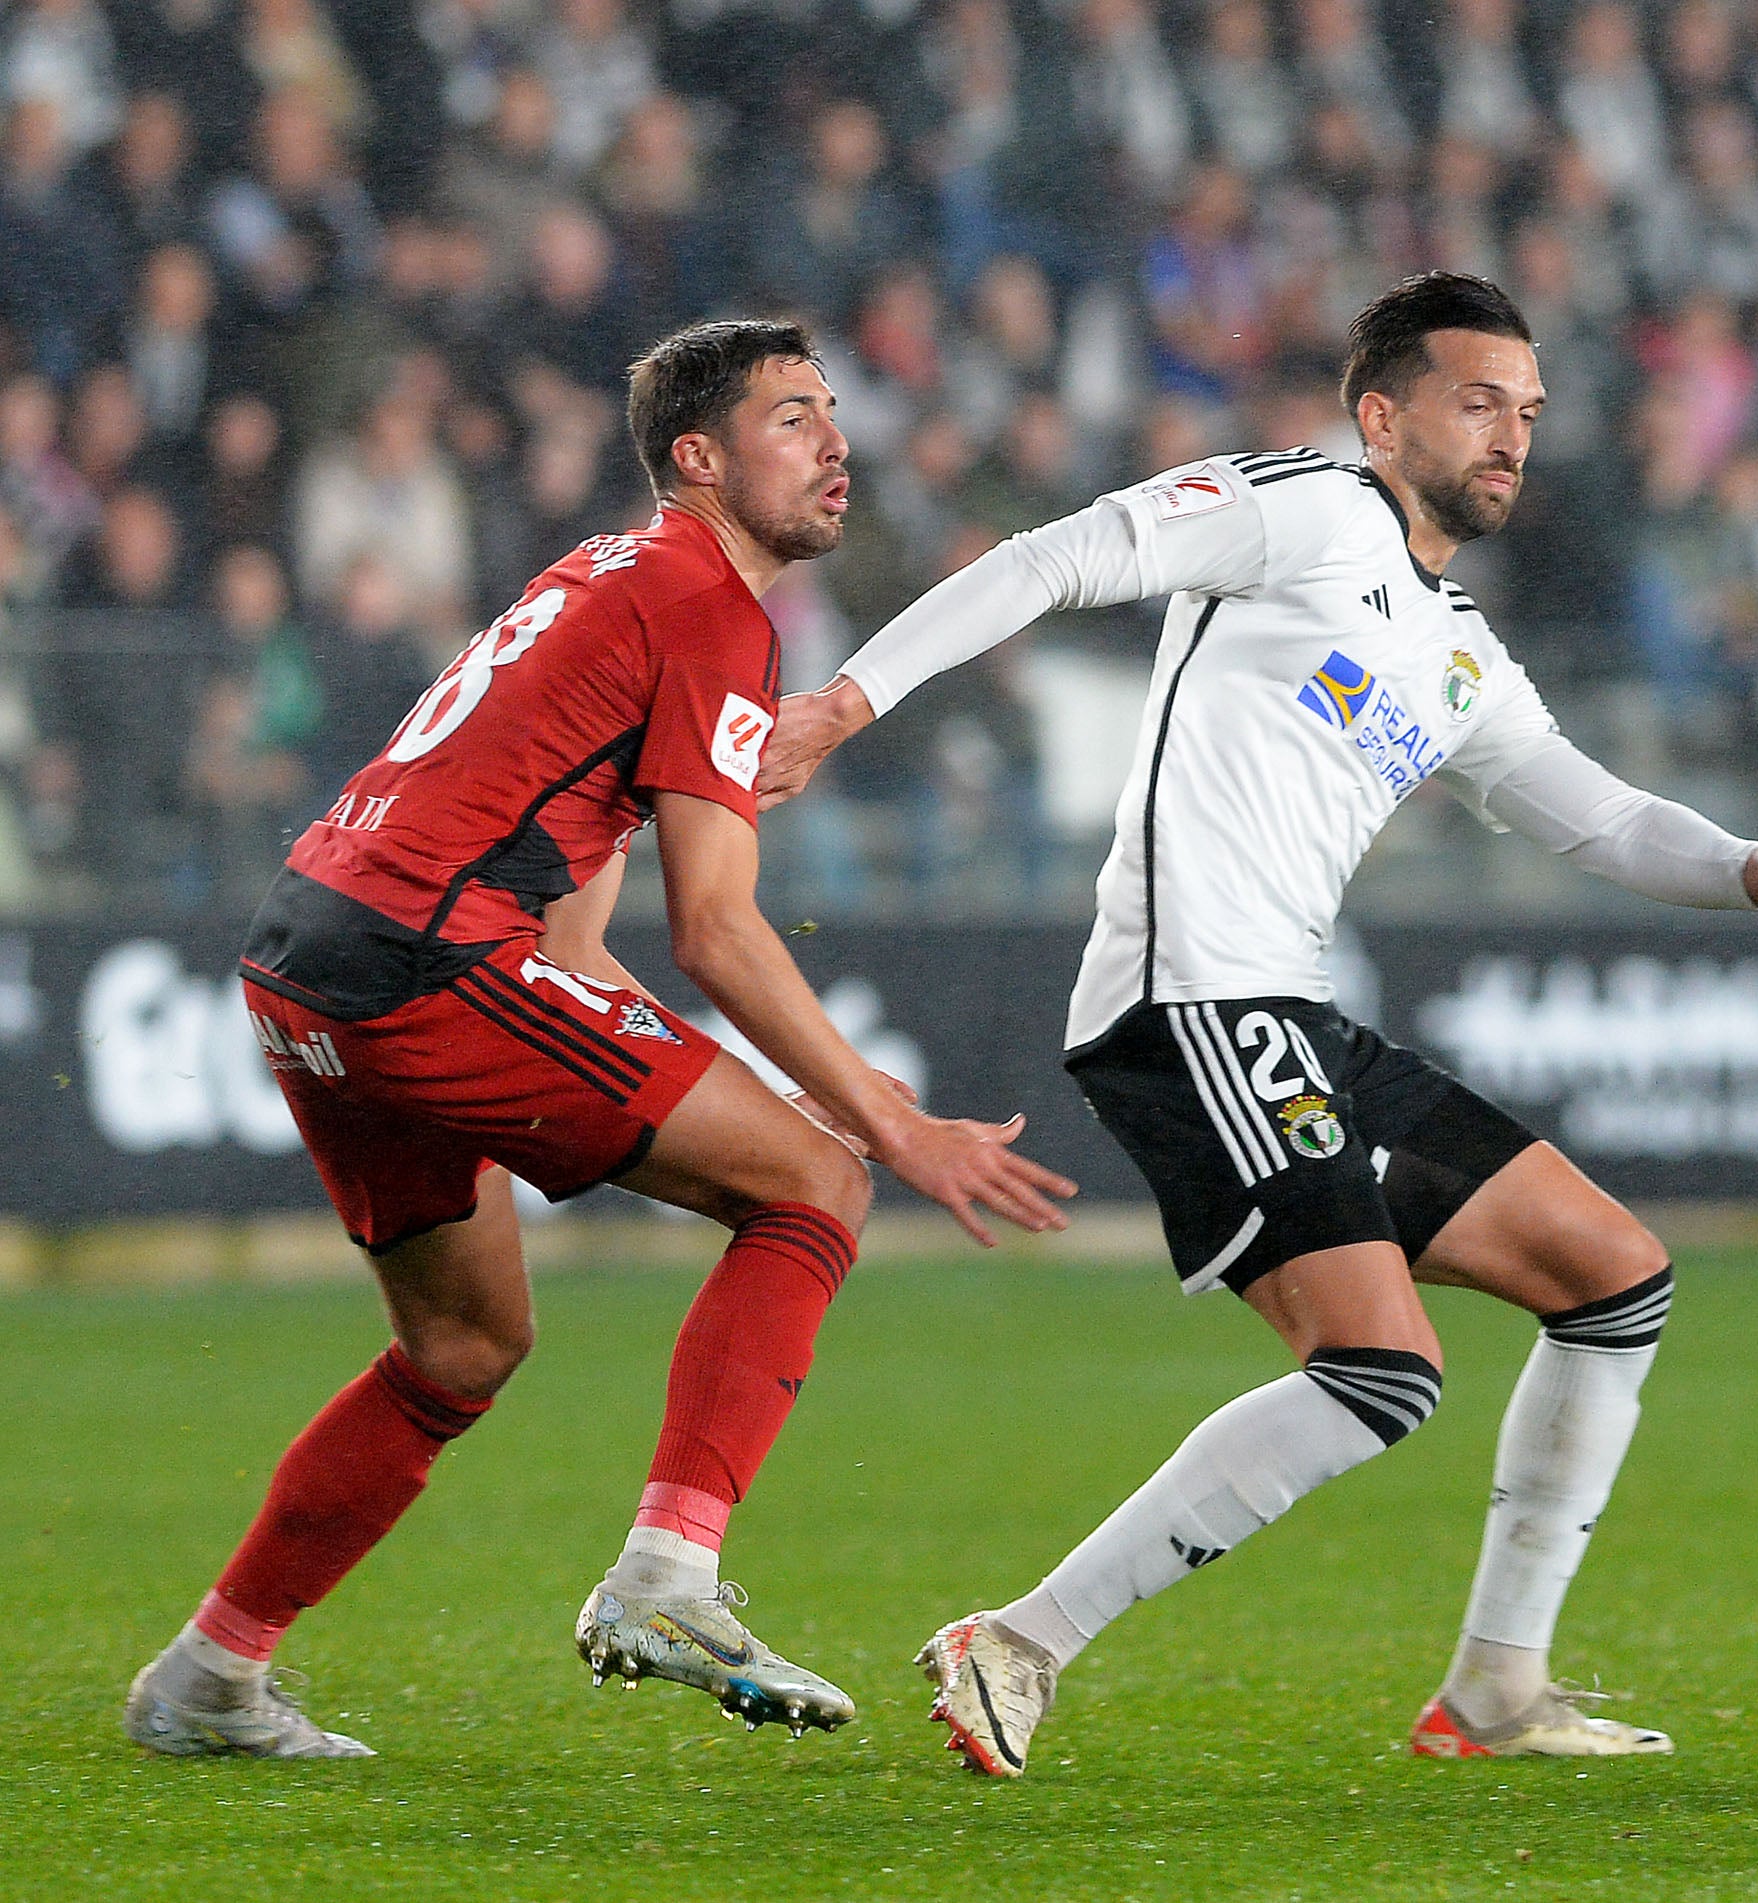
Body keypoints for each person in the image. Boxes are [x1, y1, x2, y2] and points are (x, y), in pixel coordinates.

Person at [755, 273, 1758, 1775]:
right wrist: (844, 704)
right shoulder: (1307, 506)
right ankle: (1018, 1640)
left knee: (1614, 1280)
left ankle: (1496, 1686)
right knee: (1380, 1370)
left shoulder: (1455, 644)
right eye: (1479, 402)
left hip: (1285, 1011)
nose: (1512, 439)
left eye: (1529, 414)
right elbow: (1065, 552)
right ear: (1380, 412)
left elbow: (1601, 818)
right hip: (1188, 1001)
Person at [122, 320, 1075, 1761]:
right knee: (817, 1186)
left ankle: (207, 1676)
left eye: (833, 417)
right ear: (697, 459)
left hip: (310, 951)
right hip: (424, 951)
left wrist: (631, 1042)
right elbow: (721, 931)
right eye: (794, 420)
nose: (835, 446)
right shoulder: (710, 603)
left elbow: (574, 934)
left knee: (459, 1347)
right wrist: (888, 1116)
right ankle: (667, 1580)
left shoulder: (608, 576)